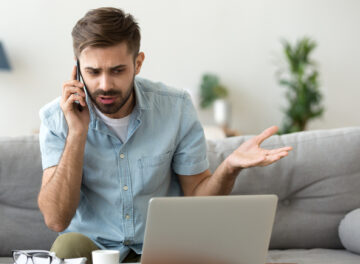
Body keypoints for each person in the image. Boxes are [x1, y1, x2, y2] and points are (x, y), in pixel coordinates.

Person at [37, 7, 293, 264]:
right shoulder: (56, 118)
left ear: (138, 64)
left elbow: (197, 200)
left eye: (117, 70)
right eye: (93, 72)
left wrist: (230, 167)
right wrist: (77, 132)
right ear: (78, 69)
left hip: (161, 249)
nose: (105, 85)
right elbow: (56, 219)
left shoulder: (176, 108)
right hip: (93, 250)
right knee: (67, 245)